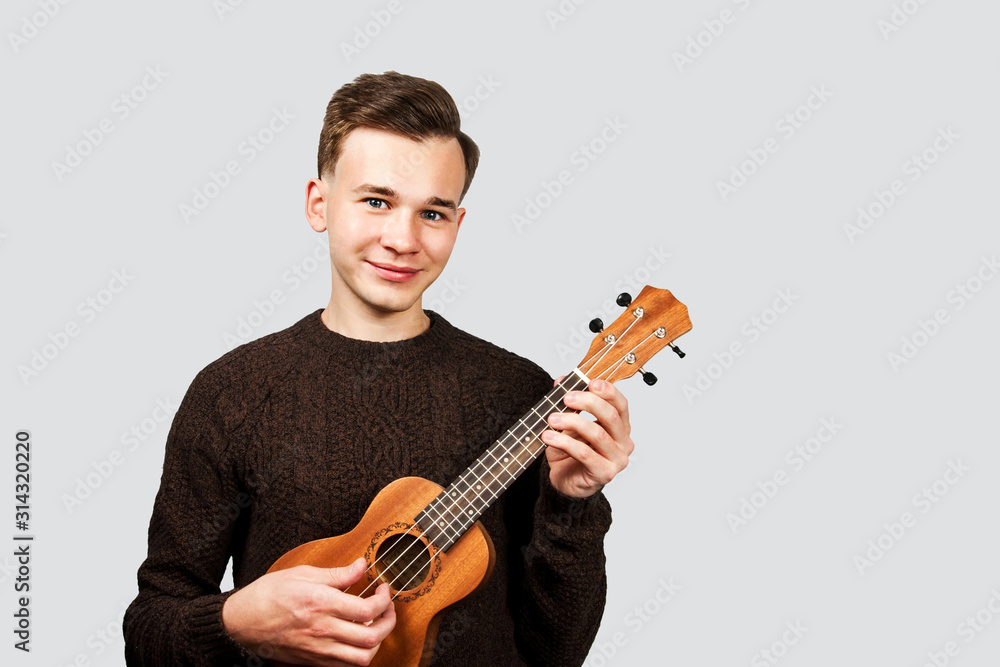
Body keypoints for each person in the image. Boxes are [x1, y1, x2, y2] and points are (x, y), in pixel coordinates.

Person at [123, 71, 634, 667]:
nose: (403, 238)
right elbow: (150, 630)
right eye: (376, 201)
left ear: (458, 226)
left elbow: (557, 653)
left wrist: (573, 502)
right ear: (319, 204)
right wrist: (236, 619)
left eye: (433, 214)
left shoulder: (520, 395)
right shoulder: (233, 392)